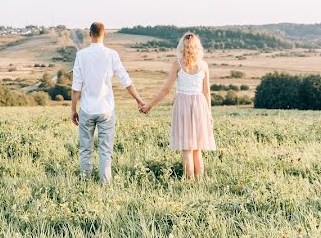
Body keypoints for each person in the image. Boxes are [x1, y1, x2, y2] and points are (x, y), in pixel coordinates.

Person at [71, 21, 146, 182]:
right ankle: (105, 184)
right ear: (104, 34)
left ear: (89, 34)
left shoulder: (81, 55)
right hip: (106, 109)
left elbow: (76, 86)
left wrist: (73, 109)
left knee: (85, 149)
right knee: (105, 149)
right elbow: (126, 80)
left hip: (87, 108)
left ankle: (85, 182)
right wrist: (139, 100)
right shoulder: (112, 54)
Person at [140, 31, 216, 178]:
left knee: (186, 149)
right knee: (197, 150)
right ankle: (199, 185)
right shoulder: (204, 65)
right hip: (200, 106)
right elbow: (207, 92)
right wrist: (209, 114)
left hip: (183, 106)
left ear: (182, 46)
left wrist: (149, 105)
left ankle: (188, 185)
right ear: (197, 47)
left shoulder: (177, 64)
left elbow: (166, 89)